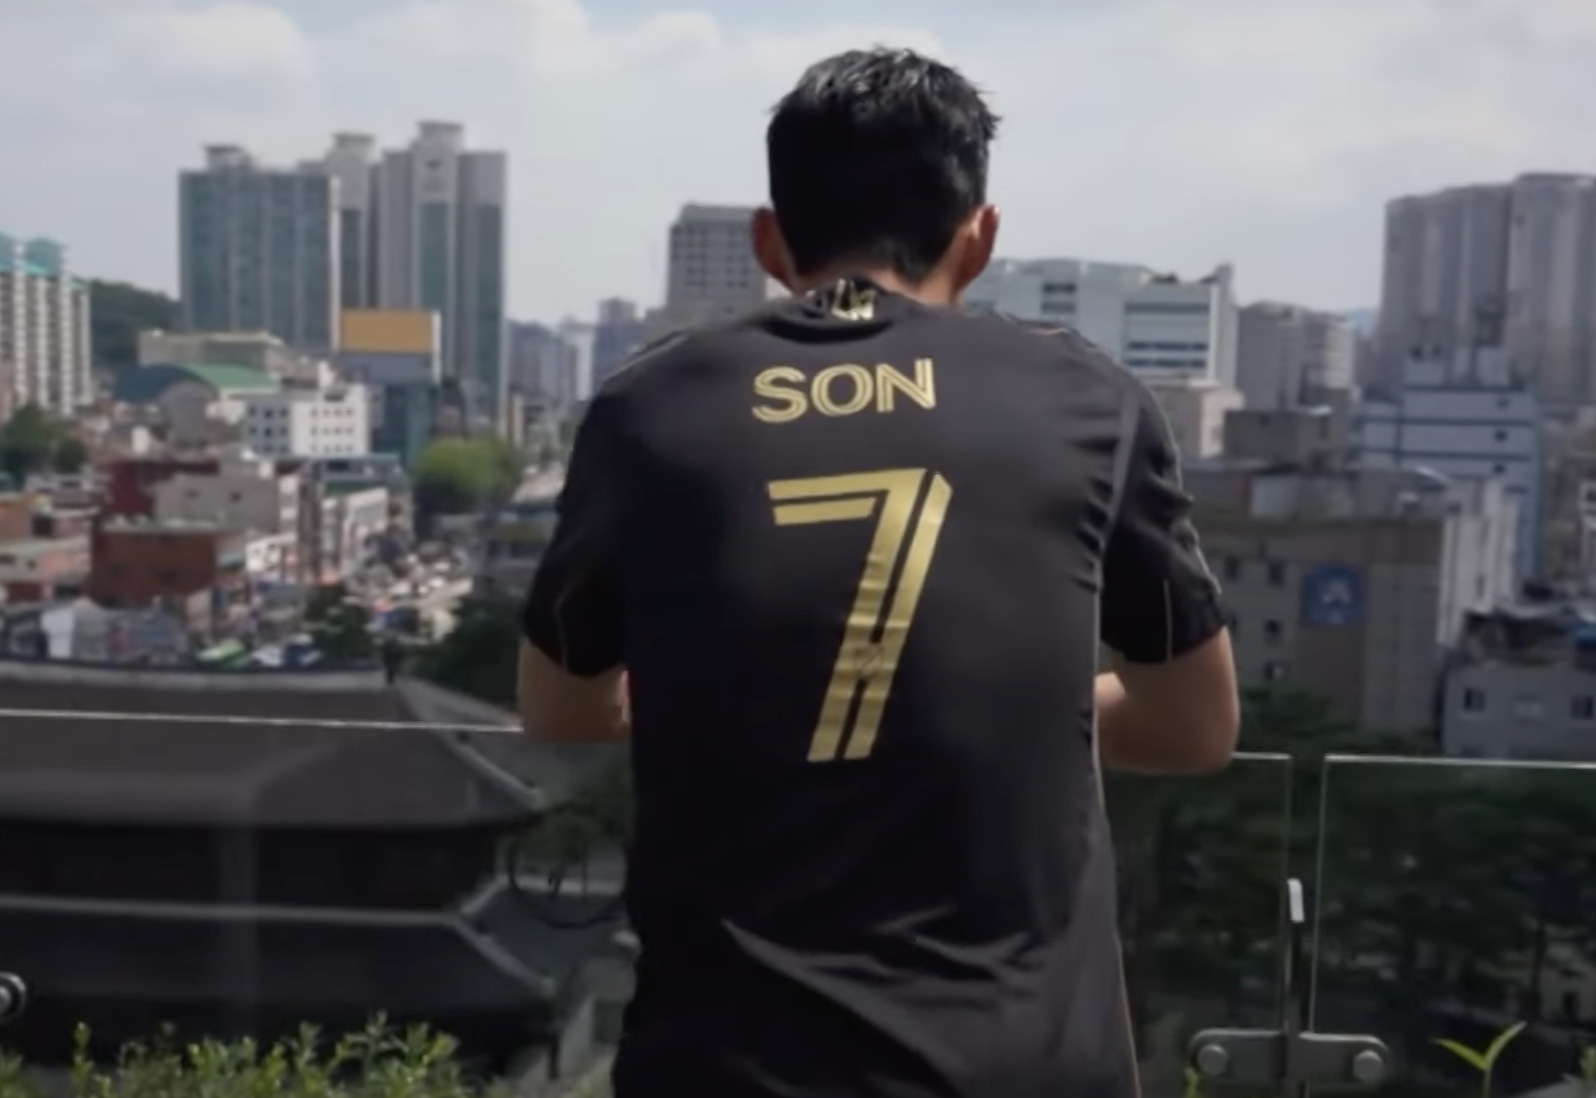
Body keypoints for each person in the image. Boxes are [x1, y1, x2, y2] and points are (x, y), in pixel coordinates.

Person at [518, 46, 1239, 1098]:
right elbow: (1196, 729)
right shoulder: (1088, 401)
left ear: (770, 242)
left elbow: (561, 709)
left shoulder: (650, 408)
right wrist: (998, 706)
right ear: (979, 238)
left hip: (730, 1066)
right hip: (1021, 1068)